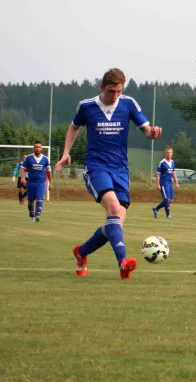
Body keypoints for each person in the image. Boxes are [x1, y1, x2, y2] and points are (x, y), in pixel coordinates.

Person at [55, 68, 162, 279]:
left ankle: (81, 252)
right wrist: (66, 152)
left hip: (120, 170)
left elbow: (146, 129)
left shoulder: (128, 104)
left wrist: (153, 133)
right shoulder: (87, 106)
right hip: (97, 167)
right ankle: (123, 262)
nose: (115, 96)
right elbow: (73, 127)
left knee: (115, 225)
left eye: (119, 91)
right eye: (112, 91)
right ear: (102, 87)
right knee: (114, 209)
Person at [20, 142, 52, 222]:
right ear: (33, 148)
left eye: (39, 147)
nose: (37, 148)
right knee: (31, 201)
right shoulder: (29, 158)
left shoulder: (45, 159)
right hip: (31, 183)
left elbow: (49, 171)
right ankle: (32, 215)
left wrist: (51, 183)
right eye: (36, 147)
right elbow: (23, 168)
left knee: (40, 198)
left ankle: (38, 215)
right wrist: (23, 178)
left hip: (41, 182)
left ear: (41, 148)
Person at [153, 147, 179, 219]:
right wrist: (158, 184)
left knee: (170, 200)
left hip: (170, 183)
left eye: (170, 153)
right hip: (163, 183)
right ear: (165, 154)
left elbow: (173, 173)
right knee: (167, 199)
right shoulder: (162, 162)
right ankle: (168, 216)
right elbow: (158, 174)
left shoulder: (173, 162)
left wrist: (176, 183)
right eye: (167, 153)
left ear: (172, 154)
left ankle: (156, 209)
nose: (169, 154)